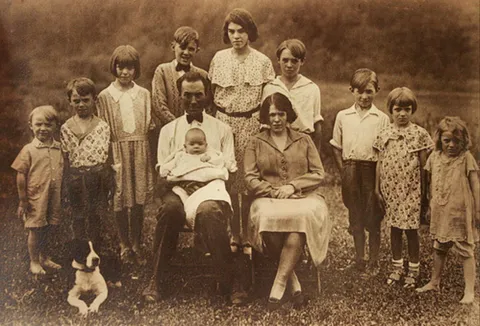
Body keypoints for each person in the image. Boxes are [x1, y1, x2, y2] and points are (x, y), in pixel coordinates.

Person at [143, 71, 243, 305]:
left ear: (208, 95)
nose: (193, 101)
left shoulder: (222, 129)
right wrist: (183, 180)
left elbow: (229, 170)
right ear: (179, 96)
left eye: (198, 95)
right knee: (169, 211)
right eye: (187, 95)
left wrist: (203, 179)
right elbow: (163, 172)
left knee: (209, 212)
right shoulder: (169, 130)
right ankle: (156, 280)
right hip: (178, 189)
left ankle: (229, 281)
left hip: (211, 188)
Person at [245, 93, 331, 310]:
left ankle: (278, 286)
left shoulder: (304, 139)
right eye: (272, 114)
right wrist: (274, 191)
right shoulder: (256, 142)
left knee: (301, 217)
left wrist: (293, 186)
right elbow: (249, 178)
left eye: (281, 114)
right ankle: (293, 283)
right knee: (267, 217)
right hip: (268, 198)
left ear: (288, 115)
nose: (276, 119)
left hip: (302, 197)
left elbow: (318, 173)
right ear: (266, 116)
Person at [208, 8, 275, 250]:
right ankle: (232, 234)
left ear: (250, 33)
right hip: (224, 124)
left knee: (249, 182)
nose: (236, 36)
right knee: (226, 180)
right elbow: (211, 97)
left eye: (241, 31)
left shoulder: (263, 62)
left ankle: (249, 235)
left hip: (252, 124)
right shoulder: (219, 59)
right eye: (231, 31)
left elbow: (269, 100)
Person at [97, 45, 154, 266]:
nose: (125, 73)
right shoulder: (105, 97)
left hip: (139, 149)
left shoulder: (143, 94)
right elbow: (103, 129)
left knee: (138, 199)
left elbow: (149, 125)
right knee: (120, 199)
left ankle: (137, 243)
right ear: (115, 67)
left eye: (130, 68)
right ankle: (124, 243)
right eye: (121, 67)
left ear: (135, 69)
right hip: (116, 150)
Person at [330, 68, 389, 276]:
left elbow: (384, 151)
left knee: (372, 214)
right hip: (351, 168)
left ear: (377, 91)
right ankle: (359, 259)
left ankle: (374, 261)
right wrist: (343, 171)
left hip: (371, 170)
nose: (364, 96)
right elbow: (336, 146)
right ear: (351, 91)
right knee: (354, 214)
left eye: (369, 91)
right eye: (360, 91)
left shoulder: (381, 118)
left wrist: (379, 181)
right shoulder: (343, 116)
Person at [373, 87, 433, 288]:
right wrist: (377, 190)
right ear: (391, 110)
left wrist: (425, 193)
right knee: (395, 229)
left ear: (412, 110)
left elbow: (425, 166)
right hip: (390, 191)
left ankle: (414, 269)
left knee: (411, 230)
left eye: (407, 109)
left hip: (412, 190)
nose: (402, 114)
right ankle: (397, 267)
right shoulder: (384, 133)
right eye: (398, 109)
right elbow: (379, 163)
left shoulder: (419, 134)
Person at [416, 117, 479, 304]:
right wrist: (426, 203)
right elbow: (428, 182)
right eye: (447, 141)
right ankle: (434, 282)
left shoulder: (466, 158)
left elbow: (475, 185)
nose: (451, 145)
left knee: (465, 250)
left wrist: (478, 210)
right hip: (440, 209)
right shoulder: (434, 157)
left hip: (460, 213)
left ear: (464, 141)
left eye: (456, 141)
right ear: (439, 140)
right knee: (439, 247)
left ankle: (469, 291)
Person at [11, 105, 63, 275]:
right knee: (36, 228)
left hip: (53, 196)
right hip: (35, 197)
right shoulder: (29, 150)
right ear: (30, 125)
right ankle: (34, 261)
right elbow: (21, 175)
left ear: (56, 126)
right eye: (38, 124)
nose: (43, 129)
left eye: (48, 125)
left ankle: (44, 257)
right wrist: (23, 199)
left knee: (49, 227)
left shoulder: (59, 148)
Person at [60, 78, 111, 244]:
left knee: (95, 212)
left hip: (96, 177)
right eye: (76, 101)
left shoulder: (102, 126)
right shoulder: (66, 127)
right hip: (75, 177)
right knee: (78, 213)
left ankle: (95, 246)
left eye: (85, 100)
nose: (81, 105)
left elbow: (104, 156)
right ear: (70, 102)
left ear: (94, 100)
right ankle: (79, 247)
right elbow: (66, 157)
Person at [150, 26, 209, 160]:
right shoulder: (162, 71)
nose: (186, 52)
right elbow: (159, 104)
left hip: (196, 137)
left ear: (197, 50)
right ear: (173, 46)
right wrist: (179, 127)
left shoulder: (203, 75)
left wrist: (195, 131)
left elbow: (207, 106)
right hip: (169, 133)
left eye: (191, 49)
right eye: (182, 47)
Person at [160, 128, 234, 226]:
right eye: (192, 144)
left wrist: (210, 159)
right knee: (171, 207)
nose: (196, 147)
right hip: (183, 185)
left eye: (200, 144)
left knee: (208, 208)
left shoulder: (209, 154)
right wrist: (166, 171)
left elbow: (221, 163)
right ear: (185, 146)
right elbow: (167, 167)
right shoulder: (181, 156)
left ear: (206, 145)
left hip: (207, 186)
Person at [262, 39, 323, 152]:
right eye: (285, 60)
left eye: (294, 61)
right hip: (275, 144)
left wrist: (316, 158)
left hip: (302, 144)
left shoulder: (311, 88)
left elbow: (317, 126)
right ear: (278, 61)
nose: (289, 65)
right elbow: (265, 125)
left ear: (302, 61)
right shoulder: (270, 88)